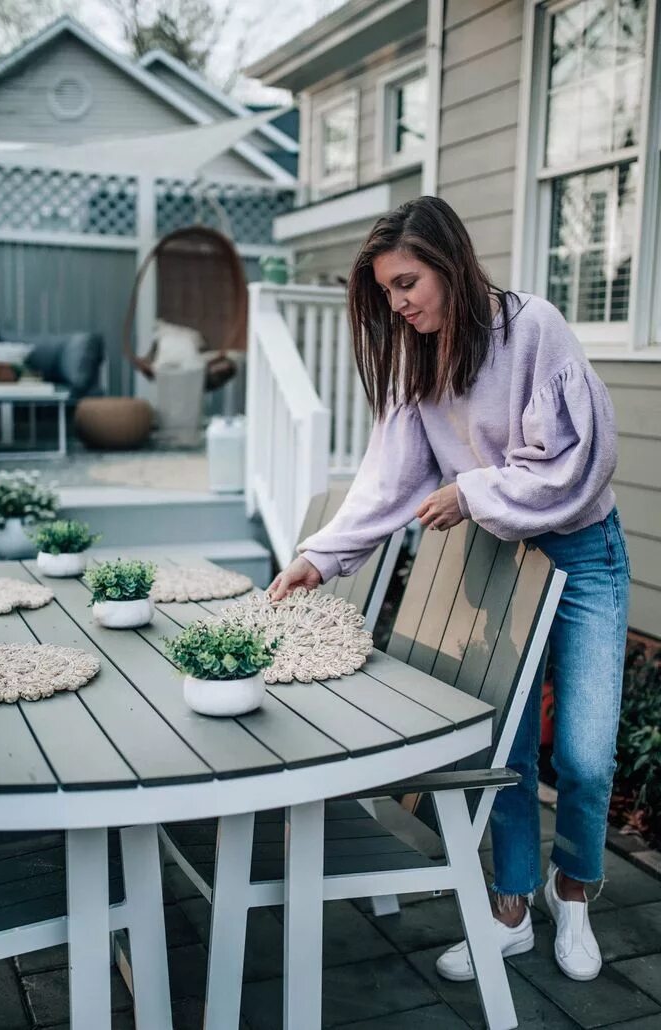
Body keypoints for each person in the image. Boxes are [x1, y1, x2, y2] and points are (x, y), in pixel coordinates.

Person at [268, 196, 630, 983]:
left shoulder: (534, 329)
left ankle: (574, 891)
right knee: (501, 743)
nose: (398, 304)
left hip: (582, 553)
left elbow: (575, 462)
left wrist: (475, 493)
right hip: (498, 556)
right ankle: (509, 908)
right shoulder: (417, 358)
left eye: (407, 283)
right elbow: (387, 481)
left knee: (586, 753)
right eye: (387, 292)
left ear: (449, 264)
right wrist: (318, 557)